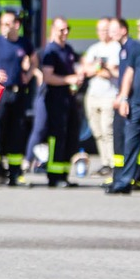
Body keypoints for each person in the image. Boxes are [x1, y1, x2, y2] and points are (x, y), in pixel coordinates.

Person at [0, 11, 38, 187]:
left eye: (7, 24)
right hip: (0, 94)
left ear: (17, 25)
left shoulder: (24, 43)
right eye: (2, 24)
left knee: (17, 134)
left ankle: (15, 174)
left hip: (18, 93)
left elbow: (35, 60)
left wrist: (28, 75)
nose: (4, 27)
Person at [111, 13, 140, 196]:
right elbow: (128, 75)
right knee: (130, 146)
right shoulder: (137, 50)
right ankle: (124, 182)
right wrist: (123, 98)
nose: (139, 29)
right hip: (135, 106)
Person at [39, 17, 85, 188]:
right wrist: (69, 79)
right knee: (57, 137)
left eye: (67, 29)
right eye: (61, 30)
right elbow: (48, 77)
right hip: (55, 100)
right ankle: (53, 176)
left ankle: (64, 175)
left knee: (70, 137)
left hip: (69, 99)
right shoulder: (51, 51)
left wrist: (76, 79)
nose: (65, 33)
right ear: (53, 30)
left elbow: (73, 71)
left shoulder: (68, 50)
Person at [107, 18, 140, 194]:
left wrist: (124, 98)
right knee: (126, 142)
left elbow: (135, 76)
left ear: (124, 30)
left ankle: (126, 178)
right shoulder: (124, 49)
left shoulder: (133, 48)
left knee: (124, 142)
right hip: (126, 99)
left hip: (129, 102)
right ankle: (127, 177)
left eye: (113, 29)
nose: (110, 33)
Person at [81, 18, 120, 176]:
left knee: (107, 130)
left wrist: (98, 69)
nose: (102, 33)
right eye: (100, 29)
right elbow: (86, 71)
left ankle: (112, 163)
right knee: (97, 131)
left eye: (105, 29)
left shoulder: (116, 48)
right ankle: (105, 163)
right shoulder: (94, 48)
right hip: (92, 96)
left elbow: (112, 72)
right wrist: (100, 69)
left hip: (108, 96)